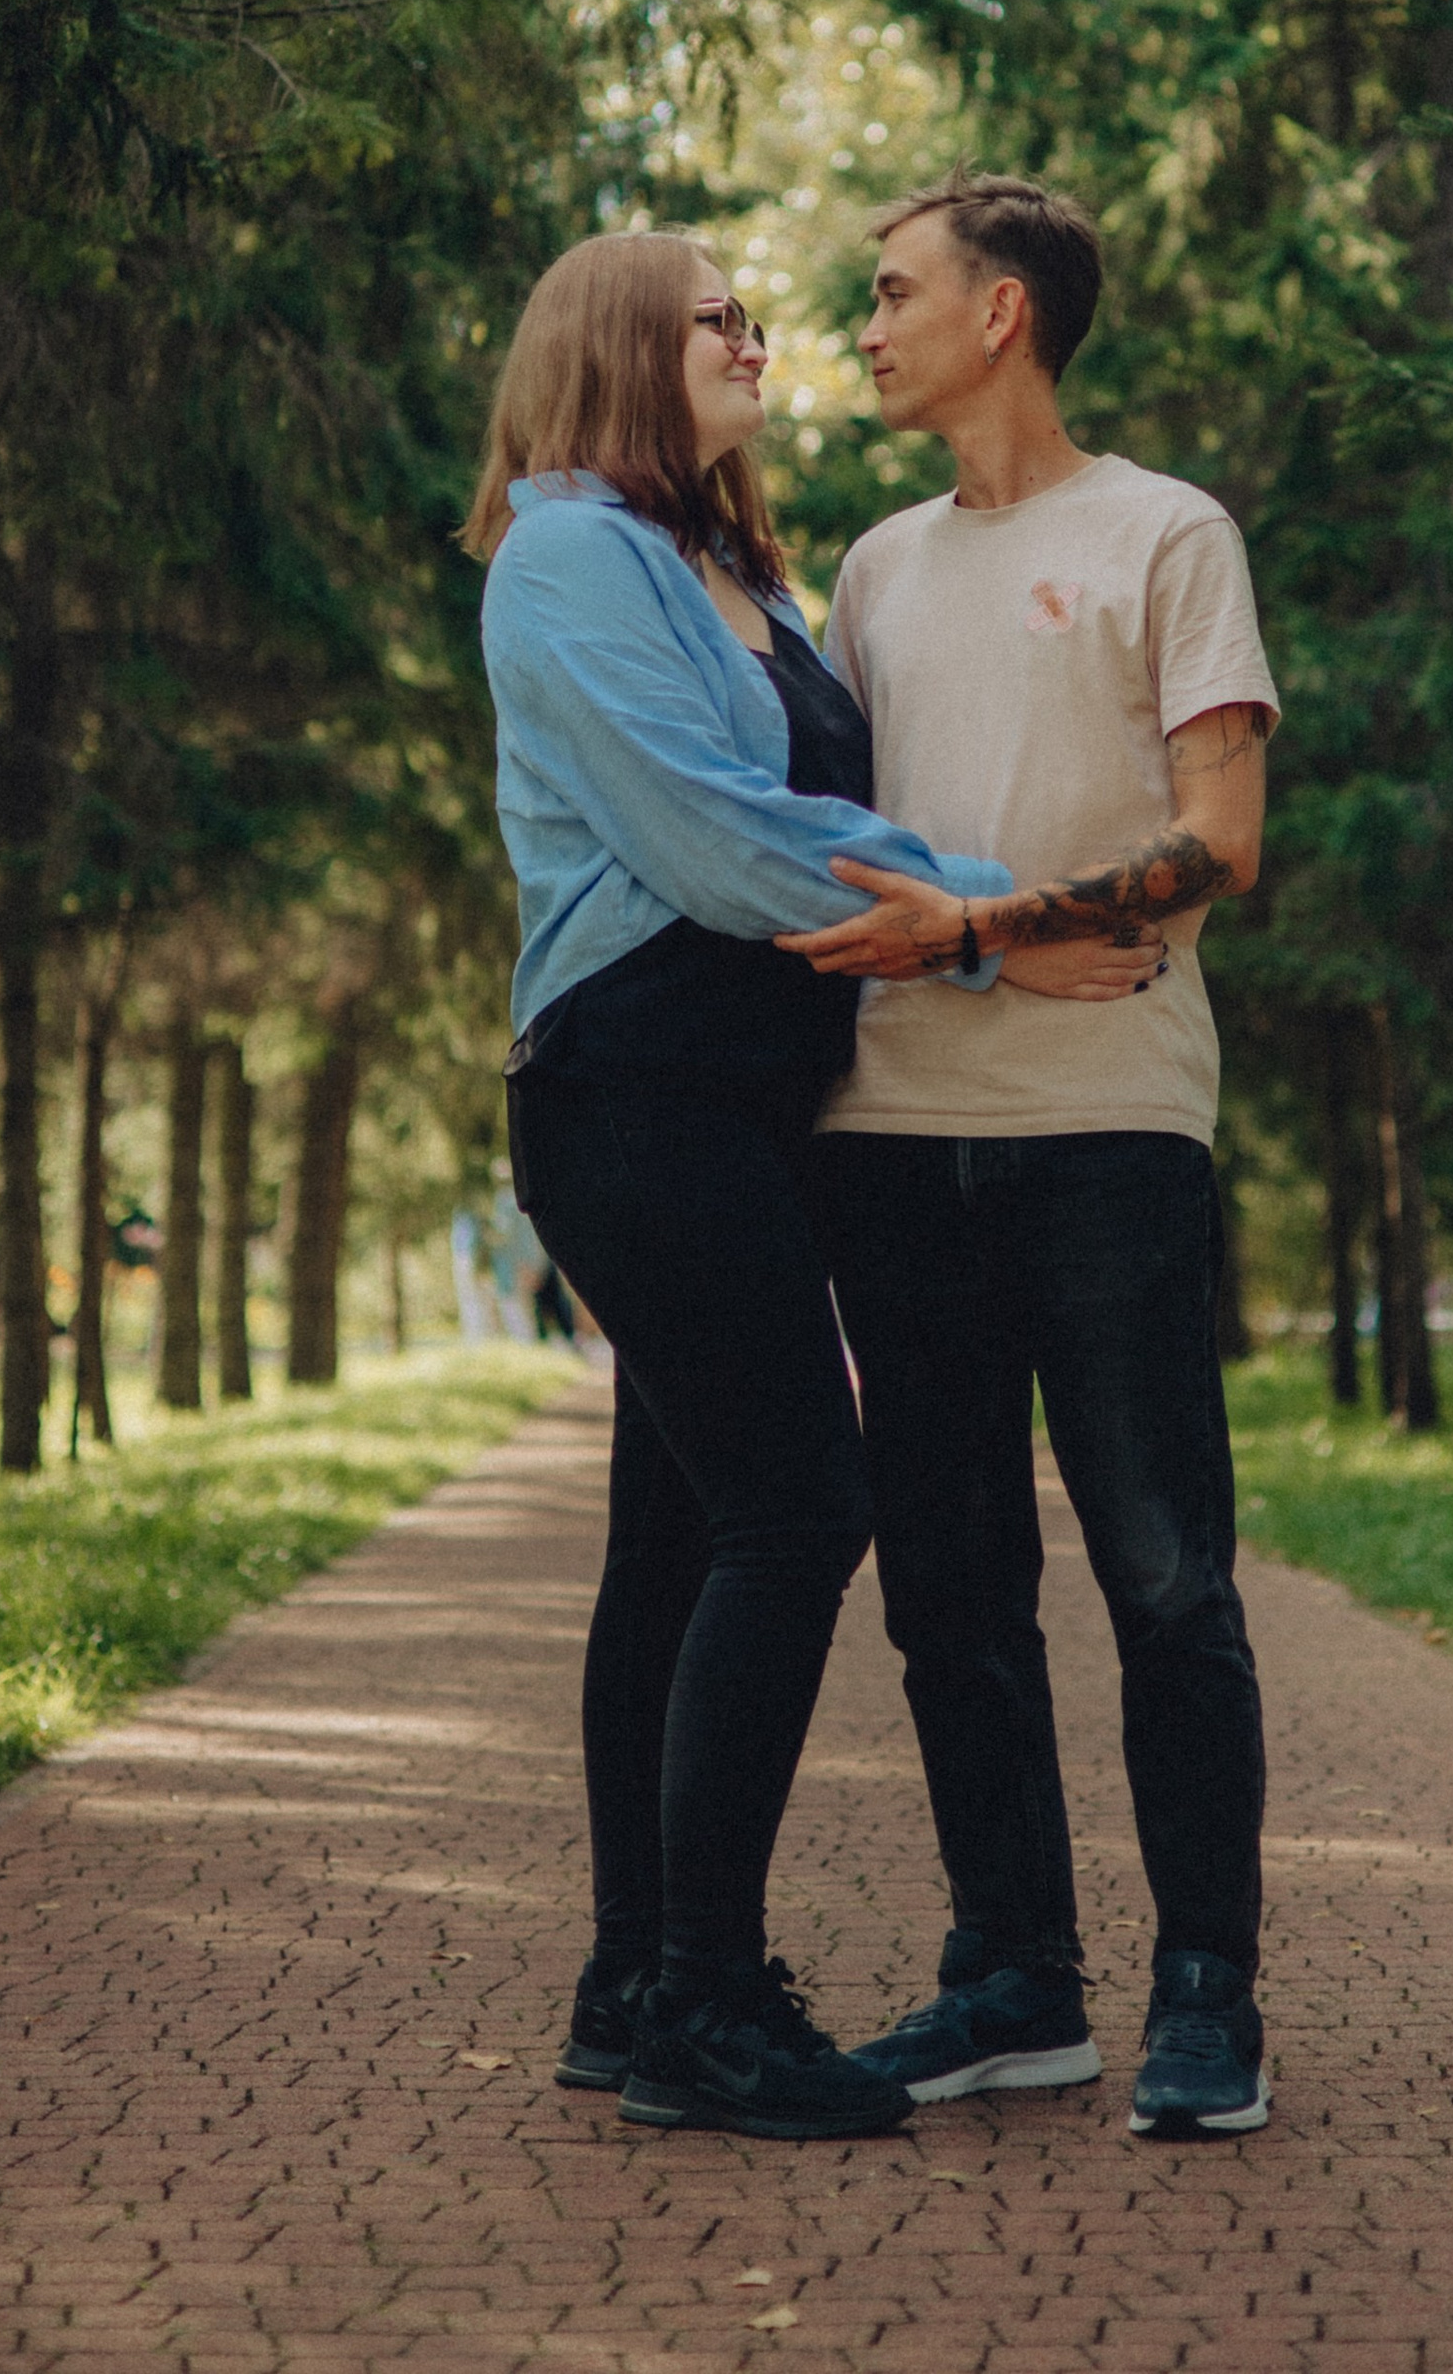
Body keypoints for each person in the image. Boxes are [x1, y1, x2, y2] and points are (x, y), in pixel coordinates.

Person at [464, 226, 1031, 2142]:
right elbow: (713, 835)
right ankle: (709, 1991)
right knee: (801, 1507)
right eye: (714, 314)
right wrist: (972, 922)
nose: (757, 336)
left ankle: (632, 1980)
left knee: (684, 1540)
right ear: (622, 343)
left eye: (753, 313)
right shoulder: (565, 558)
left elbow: (773, 800)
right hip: (636, 1089)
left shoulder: (734, 572)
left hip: (736, 1101)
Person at [777, 169, 1281, 2142]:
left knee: (1165, 1579)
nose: (866, 322)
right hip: (887, 1139)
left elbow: (1217, 841)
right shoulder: (874, 566)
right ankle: (1011, 1984)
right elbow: (835, 847)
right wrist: (991, 928)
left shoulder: (1166, 532)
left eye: (892, 289)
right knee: (948, 1590)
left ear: (1001, 313)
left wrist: (971, 928)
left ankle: (1205, 2001)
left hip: (1108, 1134)